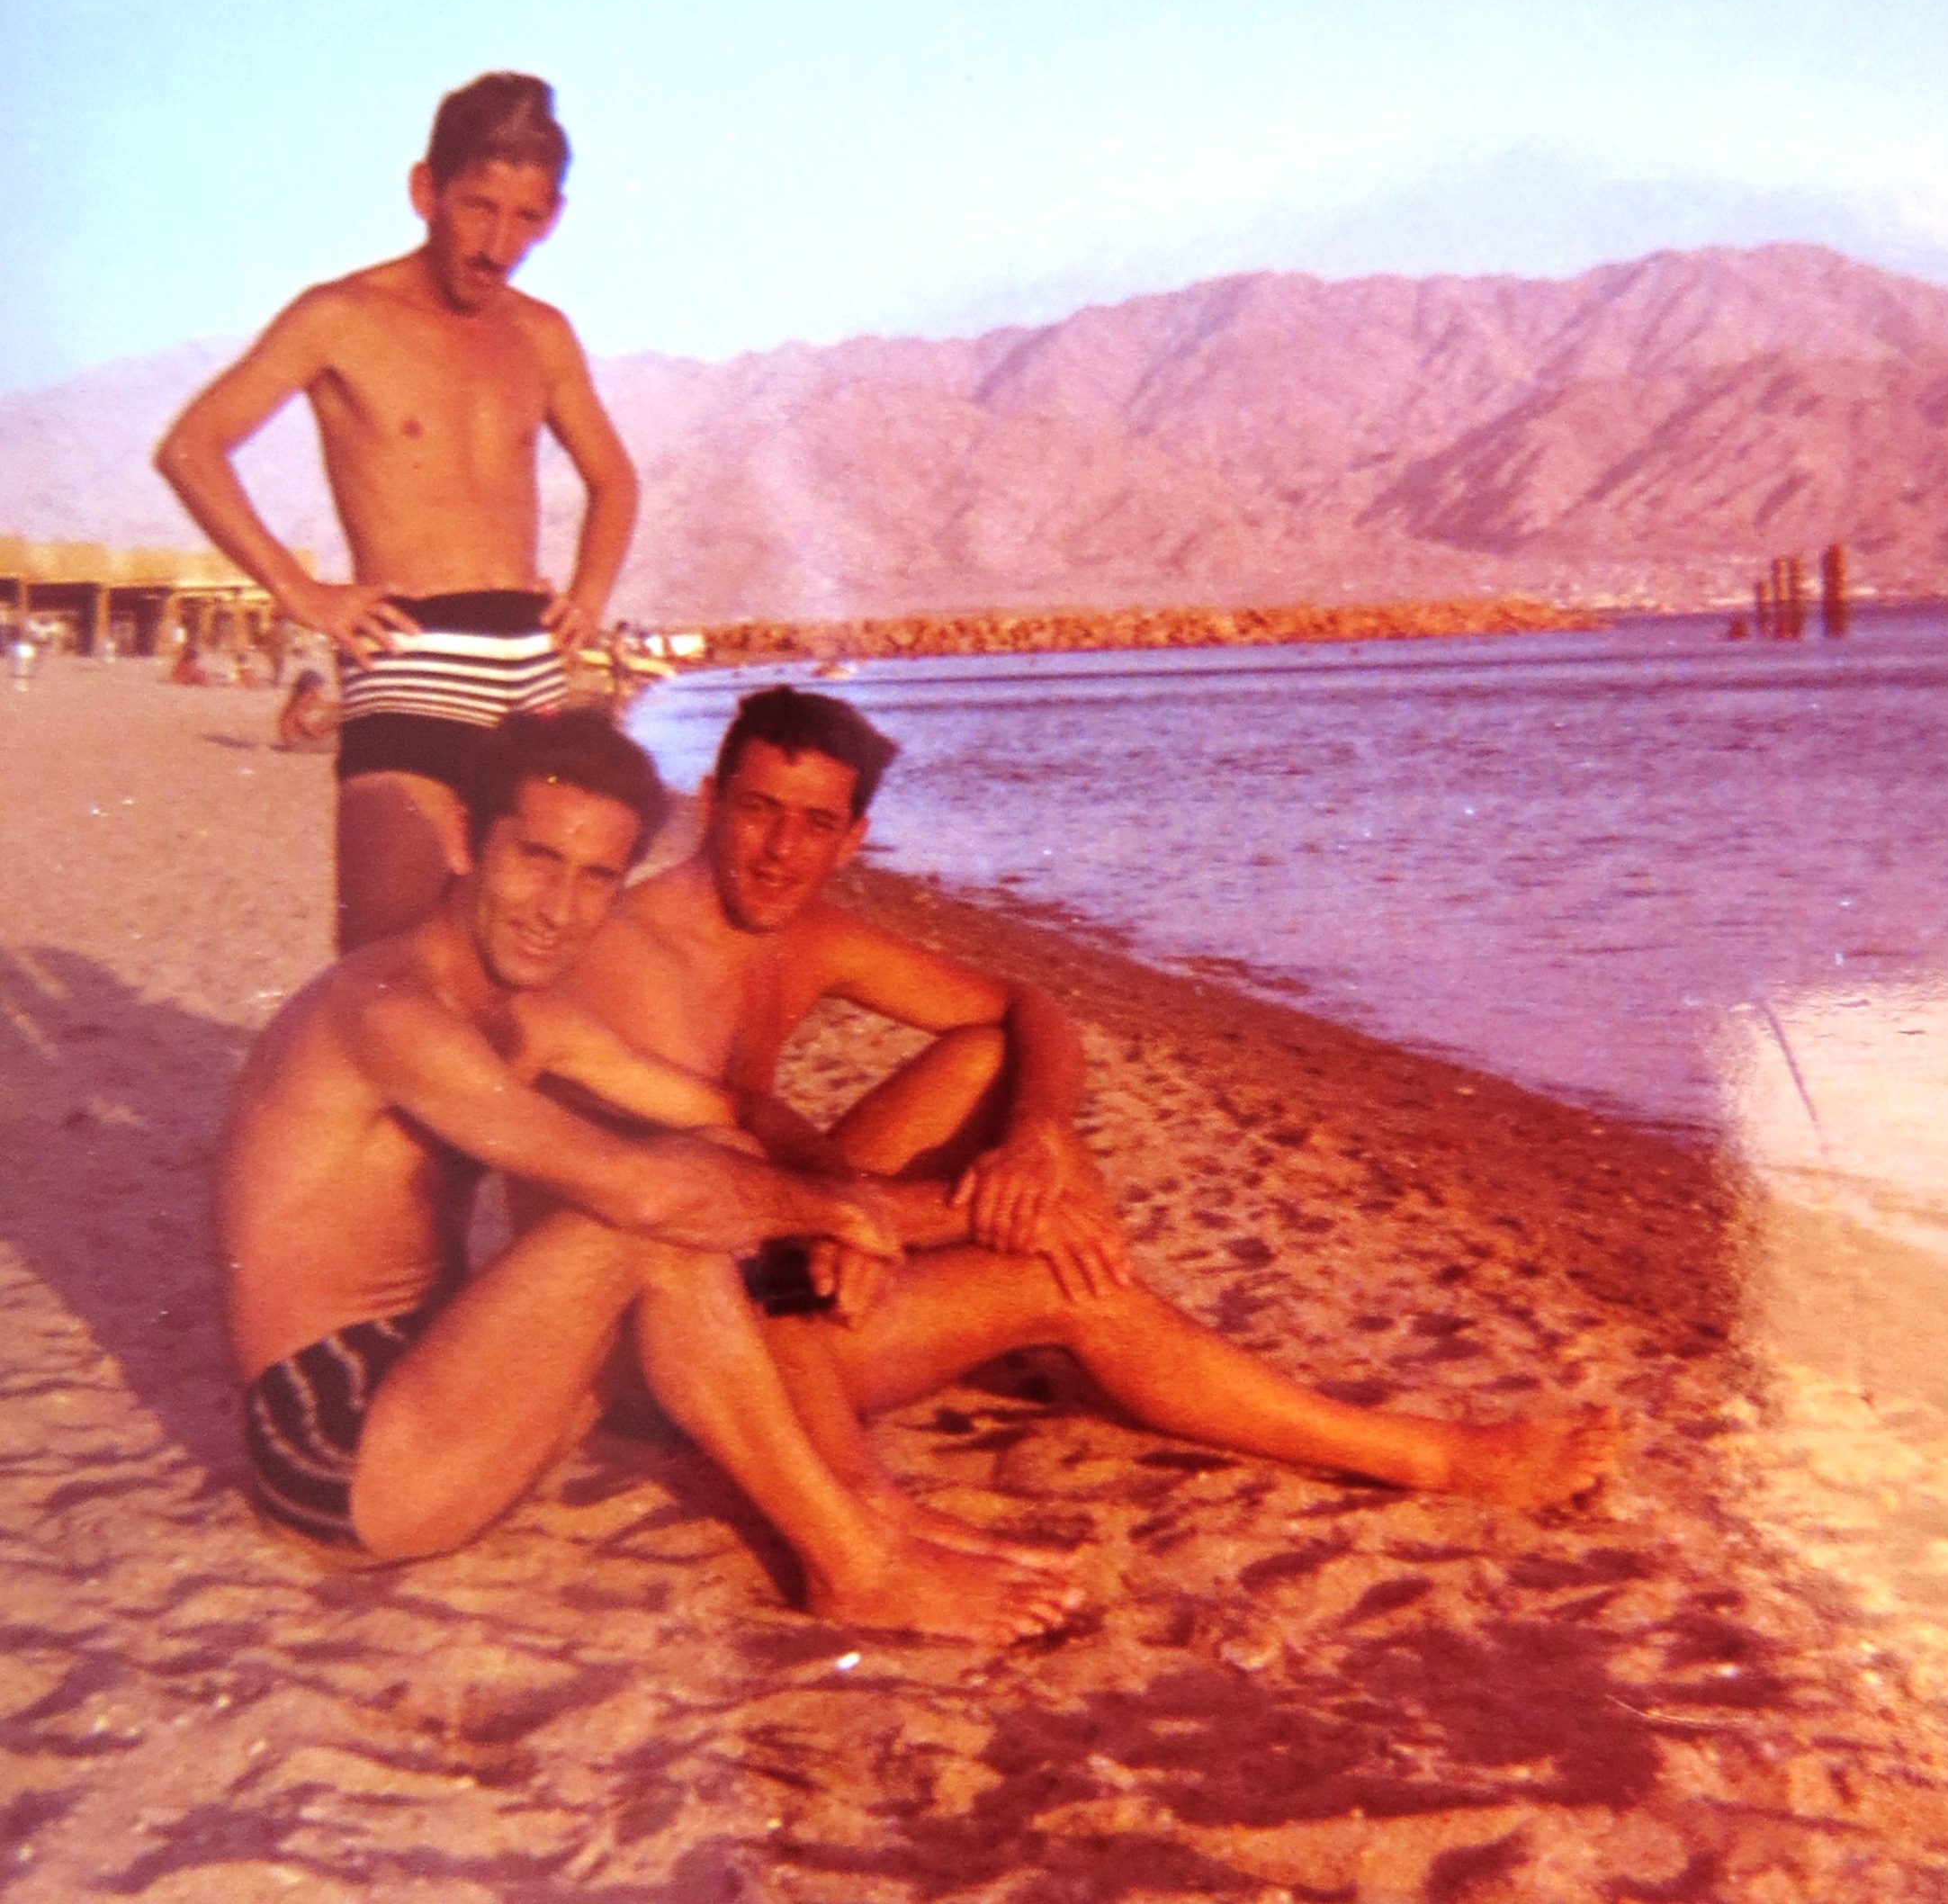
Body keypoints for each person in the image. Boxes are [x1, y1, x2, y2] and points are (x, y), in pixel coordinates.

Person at [559, 687, 1621, 1529]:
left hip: (773, 1237)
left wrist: (1033, 1143)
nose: (780, 851)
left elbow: (1035, 1010)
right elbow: (695, 1201)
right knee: (1062, 1277)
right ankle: (1432, 1456)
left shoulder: (806, 934)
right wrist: (943, 1215)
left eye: (814, 824)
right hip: (692, 1345)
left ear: (854, 839)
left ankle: (1113, 1339)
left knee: (988, 1061)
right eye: (757, 811)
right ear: (710, 802)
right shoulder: (643, 952)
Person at [216, 708, 1079, 1641]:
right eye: (537, 858)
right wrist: (851, 1214)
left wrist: (854, 1196)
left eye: (596, 878)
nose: (558, 908)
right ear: (465, 839)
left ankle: (868, 1507)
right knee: (653, 1210)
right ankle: (854, 1565)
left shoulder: (528, 1017)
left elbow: (728, 1112)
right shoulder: (388, 1013)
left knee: (696, 1180)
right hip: (341, 1463)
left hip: (452, 1400)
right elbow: (648, 1192)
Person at [156, 73, 640, 949]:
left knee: (525, 960)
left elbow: (615, 480)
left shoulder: (543, 335)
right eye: (478, 208)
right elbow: (193, 448)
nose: (498, 245)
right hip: (411, 657)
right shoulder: (340, 317)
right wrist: (300, 592)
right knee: (383, 964)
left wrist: (590, 593)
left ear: (554, 217)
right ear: (426, 191)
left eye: (526, 218)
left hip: (534, 670)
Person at [275, 669, 339, 750]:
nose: (321, 690)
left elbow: (331, 705)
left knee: (337, 714)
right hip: (299, 744)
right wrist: (335, 727)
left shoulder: (305, 700)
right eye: (319, 687)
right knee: (338, 740)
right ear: (311, 688)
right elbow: (317, 734)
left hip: (303, 738)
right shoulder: (298, 707)